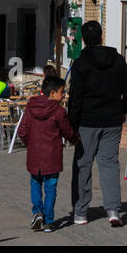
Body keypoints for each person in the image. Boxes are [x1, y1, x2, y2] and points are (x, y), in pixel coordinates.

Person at [68, 20, 127, 227]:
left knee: (82, 165)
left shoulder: (79, 63)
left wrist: (71, 124)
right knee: (109, 164)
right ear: (101, 36)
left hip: (87, 121)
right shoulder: (118, 60)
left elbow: (75, 98)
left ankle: (80, 212)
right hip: (112, 121)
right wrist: (121, 110)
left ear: (84, 40)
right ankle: (113, 210)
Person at [18, 75, 78, 232]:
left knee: (35, 183)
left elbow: (22, 131)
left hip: (34, 155)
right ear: (52, 93)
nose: (63, 95)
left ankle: (37, 212)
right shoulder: (59, 111)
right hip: (52, 156)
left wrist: (30, 144)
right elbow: (67, 131)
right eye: (61, 92)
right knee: (51, 187)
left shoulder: (30, 108)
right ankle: (49, 220)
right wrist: (75, 139)